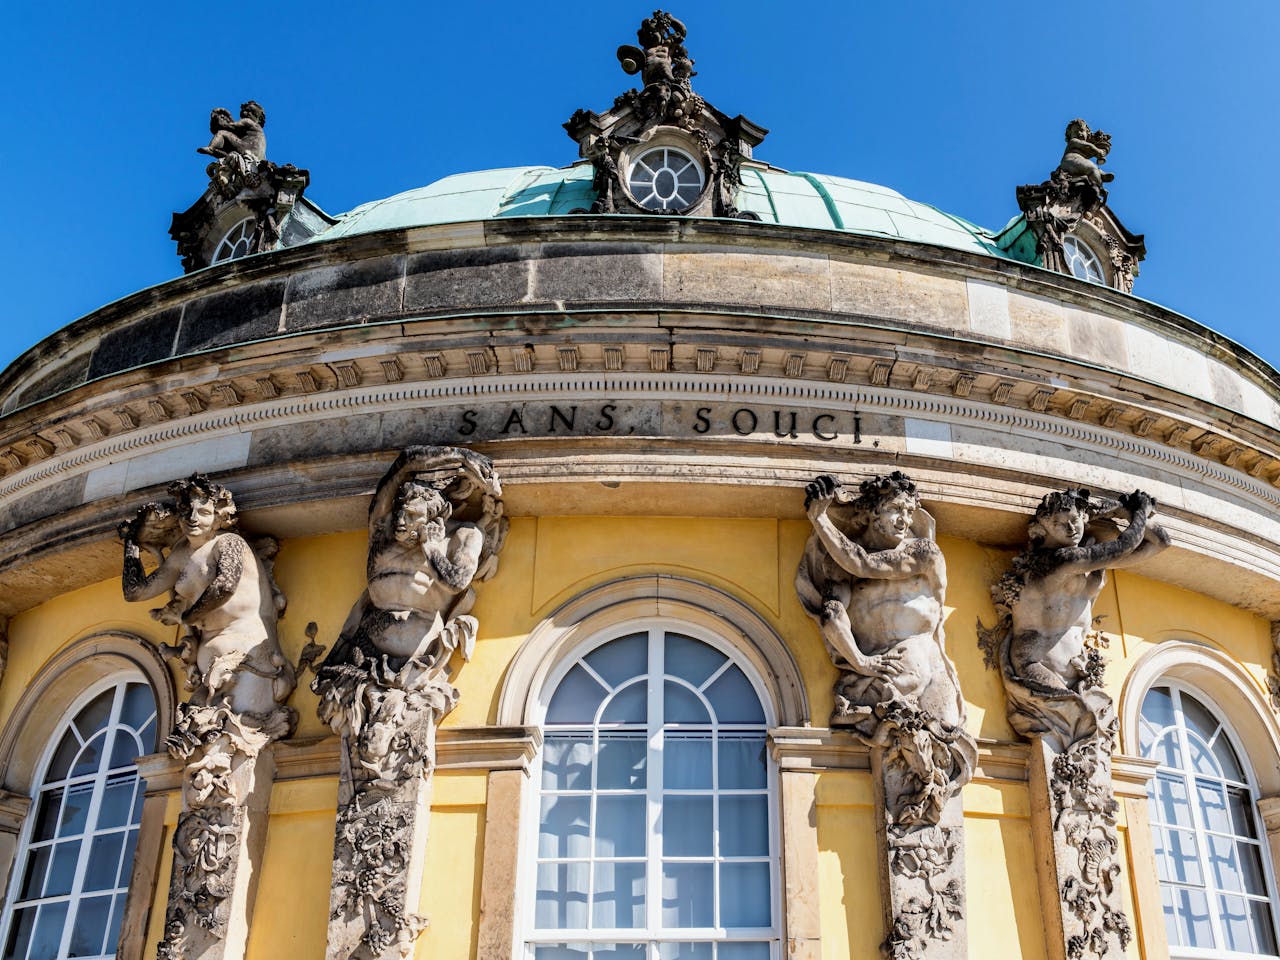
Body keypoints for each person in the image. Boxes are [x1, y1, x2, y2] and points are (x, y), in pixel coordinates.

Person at [799, 471, 965, 730]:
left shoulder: (925, 553)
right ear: (871, 513)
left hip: (930, 671)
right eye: (895, 509)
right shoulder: (838, 566)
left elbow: (863, 563)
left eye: (909, 511)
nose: (905, 521)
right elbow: (832, 616)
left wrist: (820, 519)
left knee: (946, 743)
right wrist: (860, 661)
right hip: (878, 679)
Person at [120, 474, 292, 716]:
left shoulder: (230, 543)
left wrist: (189, 616)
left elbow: (224, 587)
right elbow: (135, 592)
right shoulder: (181, 554)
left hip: (249, 659)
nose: (192, 519)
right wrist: (132, 542)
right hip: (206, 668)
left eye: (202, 512)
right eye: (186, 511)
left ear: (218, 517)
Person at [1002, 488, 1168, 697]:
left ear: (1084, 517)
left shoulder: (1091, 568)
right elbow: (1124, 546)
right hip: (1034, 666)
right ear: (1044, 529)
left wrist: (1127, 512)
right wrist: (1140, 510)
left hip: (1080, 678)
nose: (1071, 528)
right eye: (1059, 524)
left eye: (1075, 519)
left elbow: (1161, 543)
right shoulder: (1056, 562)